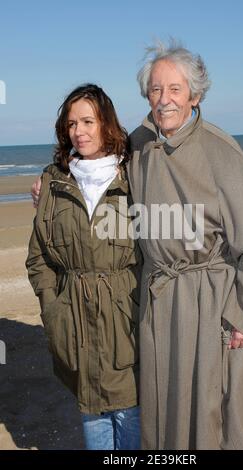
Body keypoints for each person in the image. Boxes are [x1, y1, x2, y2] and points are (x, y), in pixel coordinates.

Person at [31, 41, 243, 450]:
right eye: (155, 90)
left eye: (174, 89)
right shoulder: (139, 145)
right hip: (159, 301)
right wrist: (51, 182)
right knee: (165, 410)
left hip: (211, 301)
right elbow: (93, 162)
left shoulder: (223, 154)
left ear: (195, 95)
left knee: (218, 411)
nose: (164, 99)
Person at [26, 84, 141, 450]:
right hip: (73, 318)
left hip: (127, 317)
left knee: (130, 413)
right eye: (72, 123)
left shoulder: (135, 177)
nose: (80, 131)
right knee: (92, 414)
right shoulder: (54, 182)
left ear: (106, 124)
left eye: (88, 121)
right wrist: (53, 304)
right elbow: (38, 257)